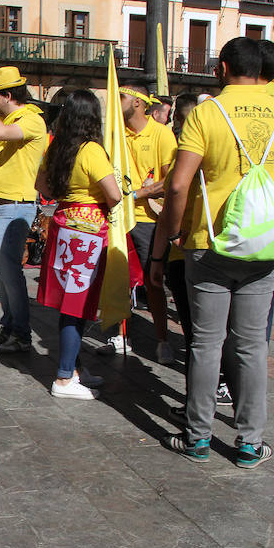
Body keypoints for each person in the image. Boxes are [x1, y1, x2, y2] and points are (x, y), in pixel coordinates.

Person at [151, 37, 274, 468]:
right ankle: (248, 442)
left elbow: (180, 184)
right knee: (251, 346)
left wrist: (171, 235)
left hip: (208, 244)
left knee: (205, 344)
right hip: (263, 247)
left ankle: (198, 437)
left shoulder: (207, 112)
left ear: (223, 68)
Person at [35, 90, 121, 400]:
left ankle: (73, 368)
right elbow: (114, 194)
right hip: (87, 233)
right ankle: (63, 378)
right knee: (77, 306)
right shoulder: (91, 151)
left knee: (71, 304)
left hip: (63, 225)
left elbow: (41, 186)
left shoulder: (56, 147)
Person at [0, 65, 49, 350]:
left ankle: (21, 336)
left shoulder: (31, 119)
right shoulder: (7, 114)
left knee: (11, 274)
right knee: (3, 275)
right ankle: (8, 327)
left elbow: (0, 133)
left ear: (9, 95)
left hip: (15, 207)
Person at [97, 83, 177, 363]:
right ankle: (118, 334)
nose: (115, 101)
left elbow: (170, 181)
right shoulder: (115, 135)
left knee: (153, 282)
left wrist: (136, 195)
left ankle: (162, 339)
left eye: (121, 96)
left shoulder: (162, 135)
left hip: (147, 220)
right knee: (115, 278)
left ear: (140, 103)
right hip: (117, 217)